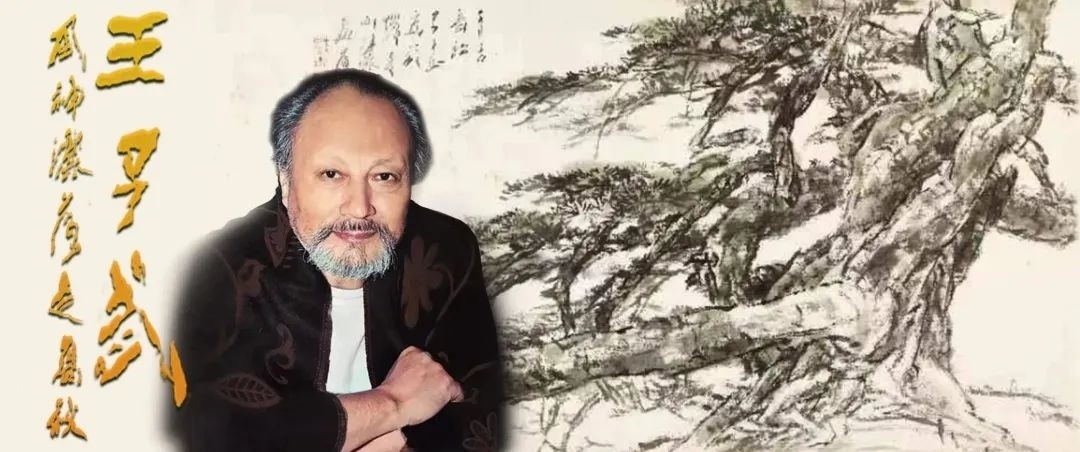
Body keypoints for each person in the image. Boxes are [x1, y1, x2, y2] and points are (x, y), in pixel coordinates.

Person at [165, 69, 505, 452]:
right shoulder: (218, 269)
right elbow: (215, 433)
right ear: (285, 177)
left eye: (384, 176)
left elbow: (475, 419)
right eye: (331, 174)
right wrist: (392, 403)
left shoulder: (447, 250)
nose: (360, 207)